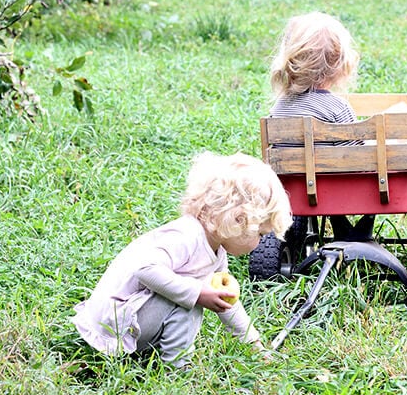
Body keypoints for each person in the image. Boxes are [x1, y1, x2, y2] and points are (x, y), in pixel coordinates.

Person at [72, 152, 292, 368]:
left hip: (132, 317)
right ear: (238, 219)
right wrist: (197, 293)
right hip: (114, 323)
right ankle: (177, 368)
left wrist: (253, 343)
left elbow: (227, 302)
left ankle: (162, 351)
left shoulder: (216, 250)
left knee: (195, 294)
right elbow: (144, 268)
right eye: (260, 235)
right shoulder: (186, 236)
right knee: (192, 299)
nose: (259, 244)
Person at [269, 11, 373, 240]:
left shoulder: (279, 108)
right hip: (342, 193)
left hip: (295, 193)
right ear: (339, 66)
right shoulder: (338, 108)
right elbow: (361, 158)